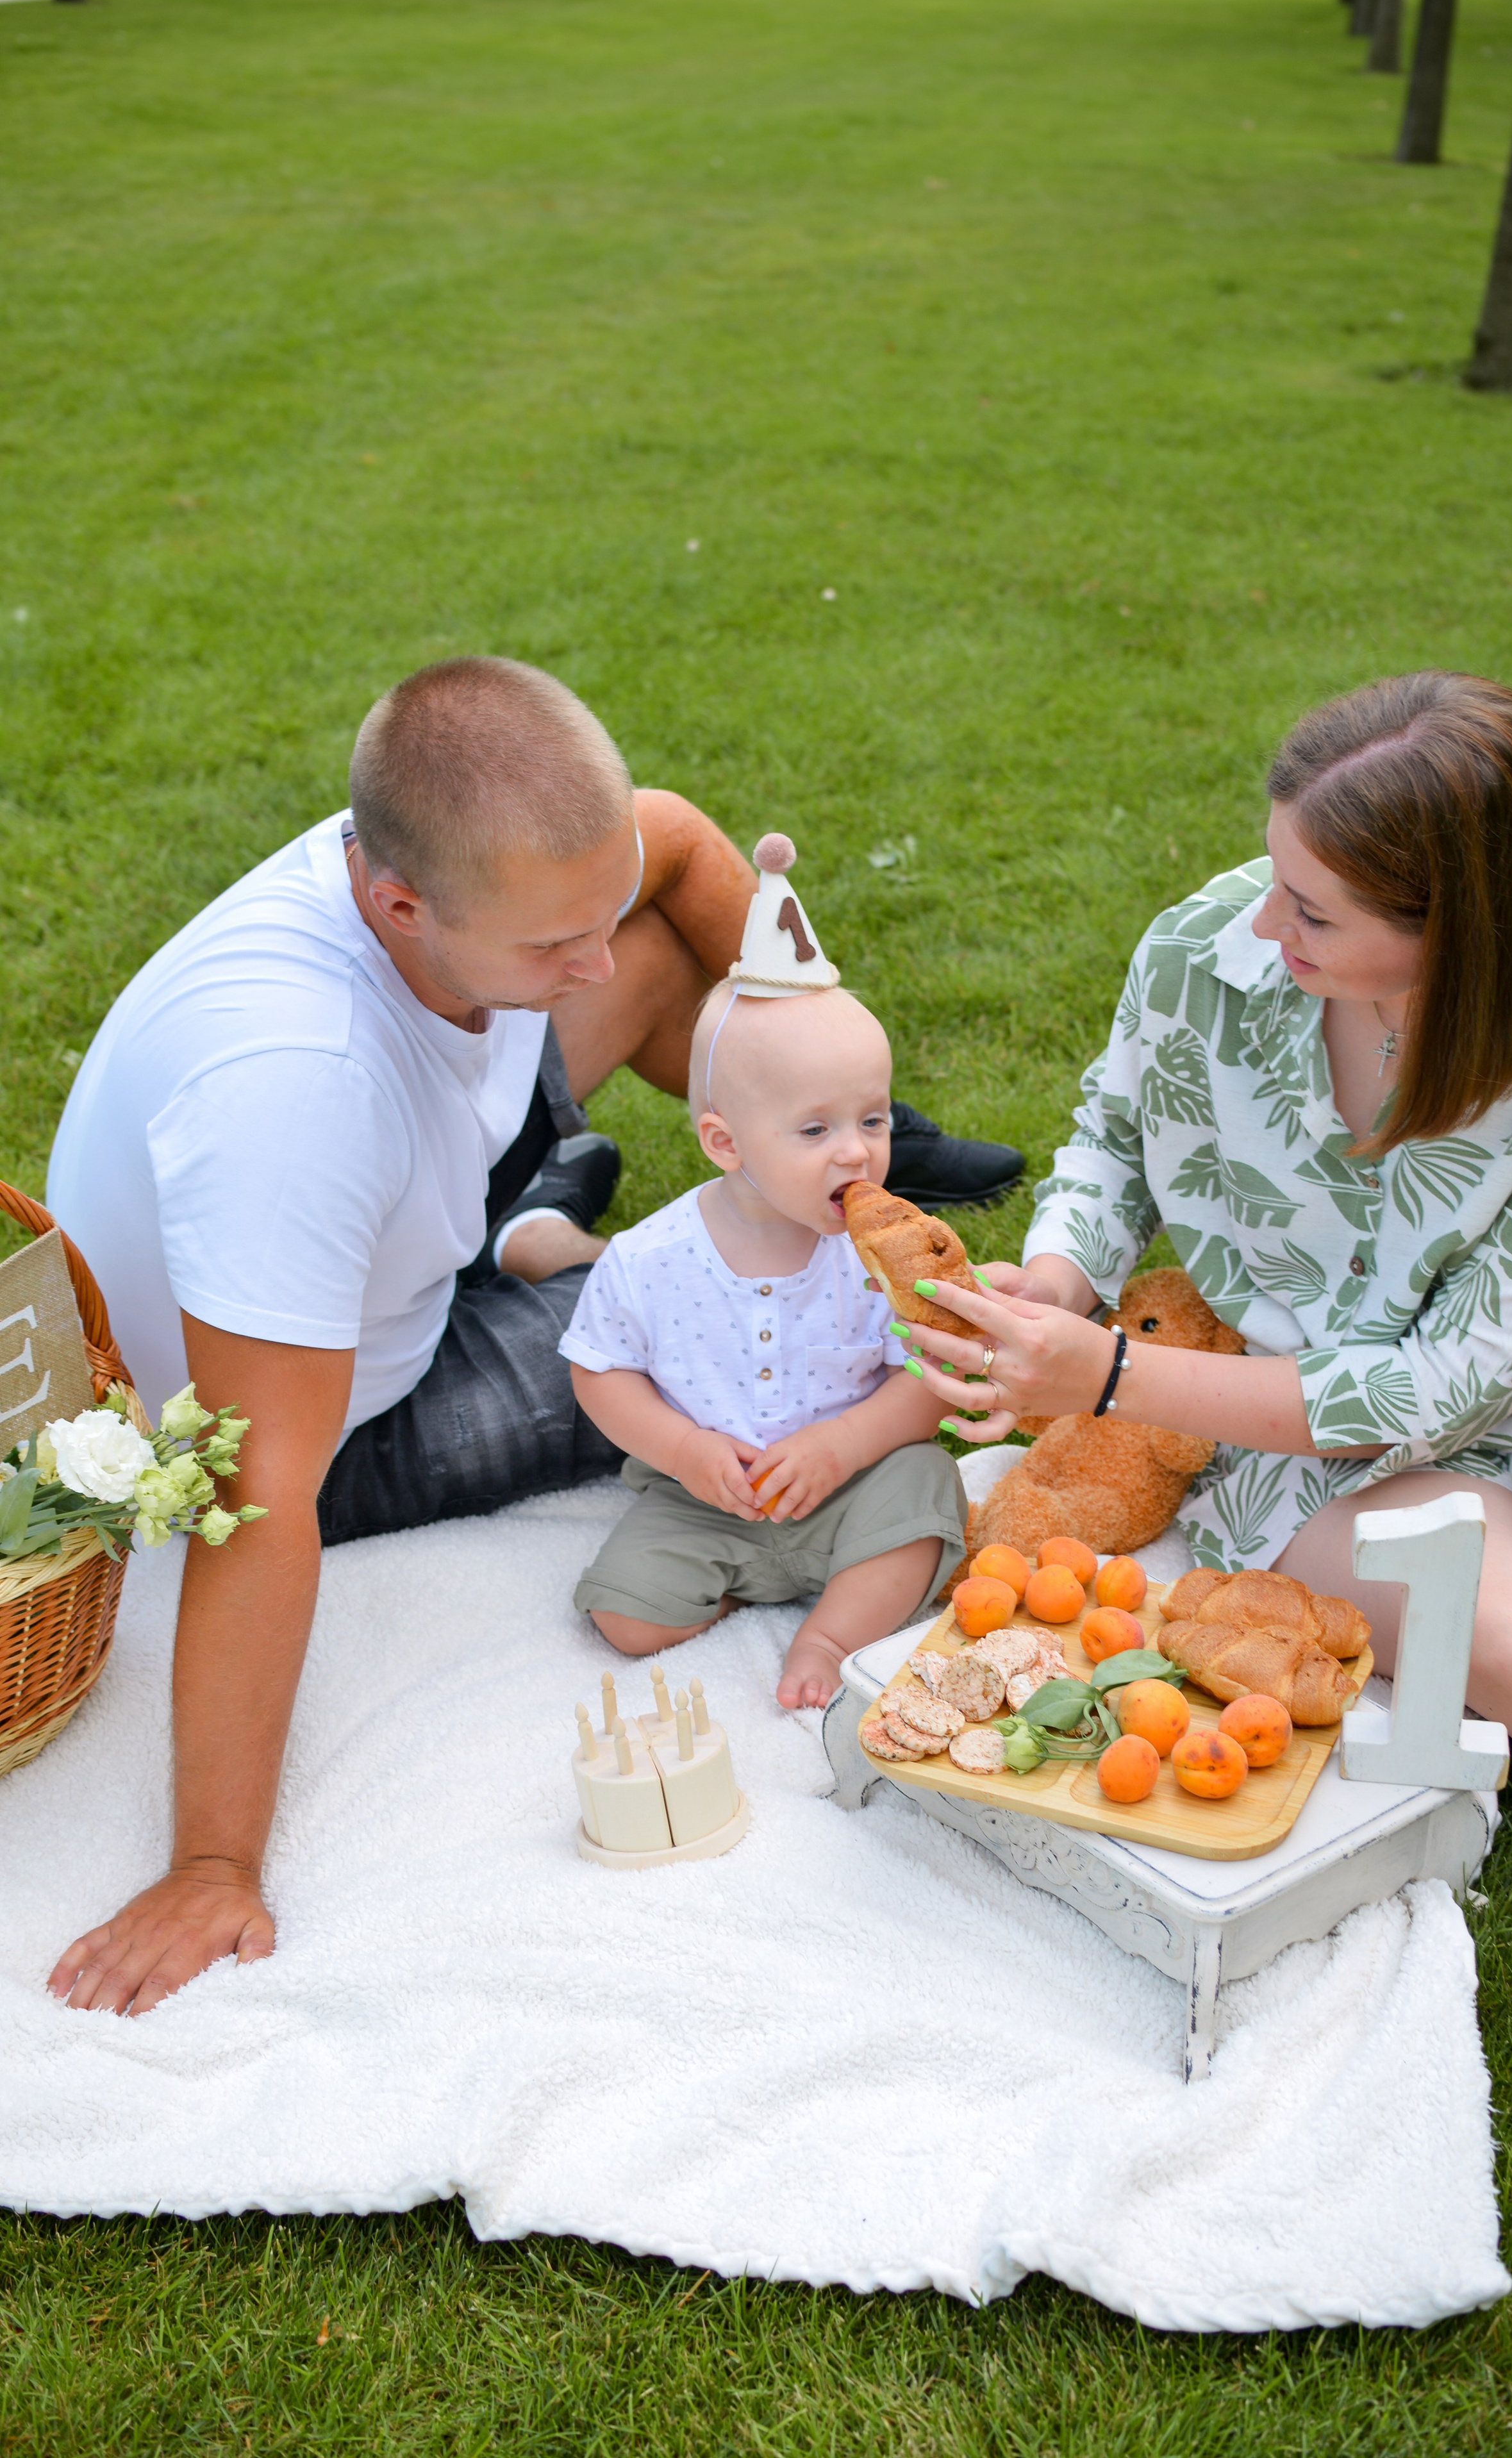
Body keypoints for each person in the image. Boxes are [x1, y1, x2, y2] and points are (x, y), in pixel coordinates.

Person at [42, 656, 1021, 2016]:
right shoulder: (293, 1089)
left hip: (406, 1199)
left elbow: (669, 842)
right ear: (397, 901)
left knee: (687, 948)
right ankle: (567, 1216)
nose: (596, 965)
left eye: (593, 909)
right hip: (353, 1395)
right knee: (752, 1332)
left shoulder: (486, 892)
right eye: (554, 946)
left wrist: (845, 1130)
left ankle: (715, 1170)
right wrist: (212, 1863)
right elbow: (255, 1489)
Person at [906, 672, 1512, 1846]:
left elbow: (1444, 1384)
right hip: (1306, 1452)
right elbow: (1113, 1143)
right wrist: (1061, 1282)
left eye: (1312, 911)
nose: (1263, 924)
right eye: (1276, 876)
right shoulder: (1209, 949)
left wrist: (1105, 1377)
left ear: (1455, 933)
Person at [565, 847, 966, 1709]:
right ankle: (744, 1579)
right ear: (726, 1143)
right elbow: (599, 1369)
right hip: (709, 1494)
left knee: (926, 1496)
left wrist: (846, 1445)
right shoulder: (651, 1259)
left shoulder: (884, 1257)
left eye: (872, 1119)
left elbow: (932, 1375)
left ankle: (829, 1637)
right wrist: (684, 1450)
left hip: (855, 1481)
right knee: (623, 1619)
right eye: (815, 1130)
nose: (857, 1151)